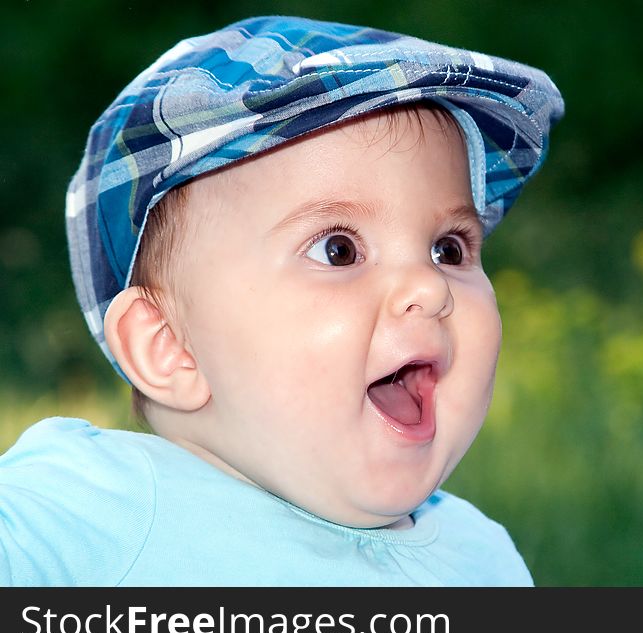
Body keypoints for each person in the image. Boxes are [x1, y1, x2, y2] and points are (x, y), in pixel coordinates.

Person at [0, 15, 563, 585]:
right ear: (170, 346)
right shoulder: (93, 508)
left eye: (448, 249)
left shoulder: (482, 560)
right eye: (340, 250)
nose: (429, 286)